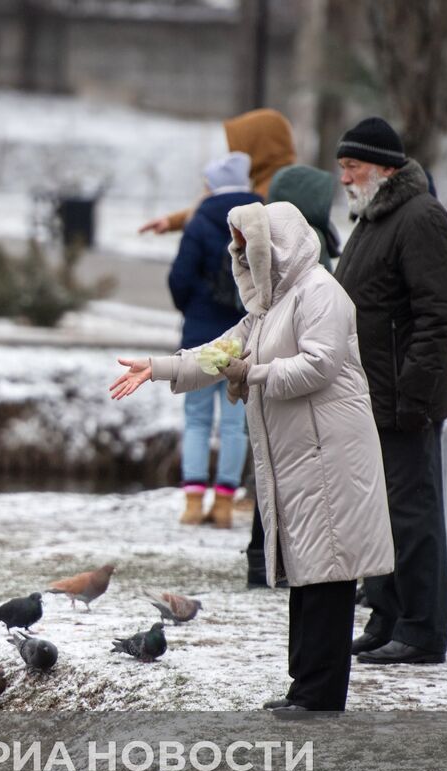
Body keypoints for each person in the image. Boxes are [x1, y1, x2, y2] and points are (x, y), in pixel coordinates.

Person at [111, 202, 394, 712]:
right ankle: (304, 688)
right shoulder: (271, 306)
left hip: (330, 457)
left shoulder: (320, 293)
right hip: (304, 458)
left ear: (274, 247)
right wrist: (155, 367)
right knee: (308, 573)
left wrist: (252, 374)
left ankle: (319, 696)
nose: (239, 257)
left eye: (247, 247)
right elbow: (220, 353)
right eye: (237, 248)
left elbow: (318, 367)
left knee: (328, 576)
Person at [331, 117, 447, 665]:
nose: (344, 177)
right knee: (375, 517)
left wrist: (413, 393)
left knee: (412, 516)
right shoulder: (373, 216)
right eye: (340, 167)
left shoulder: (421, 217)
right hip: (368, 398)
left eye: (352, 166)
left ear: (385, 168)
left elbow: (437, 315)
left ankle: (422, 629)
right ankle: (386, 615)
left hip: (403, 401)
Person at [240, 163, 342, 585]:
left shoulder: (272, 241)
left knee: (270, 474)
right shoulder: (308, 247)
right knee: (291, 480)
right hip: (290, 383)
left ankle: (261, 558)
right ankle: (274, 560)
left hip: (273, 377)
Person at [166, 152, 264, 528]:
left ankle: (192, 503)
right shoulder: (261, 216)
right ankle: (224, 505)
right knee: (234, 421)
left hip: (201, 334)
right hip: (246, 335)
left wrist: (192, 308)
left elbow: (179, 278)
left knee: (196, 418)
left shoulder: (201, 219)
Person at [138, 108, 297, 234]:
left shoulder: (275, 190)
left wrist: (175, 221)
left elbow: (225, 210)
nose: (233, 156)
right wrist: (172, 221)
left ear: (259, 146)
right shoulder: (271, 181)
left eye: (240, 146)